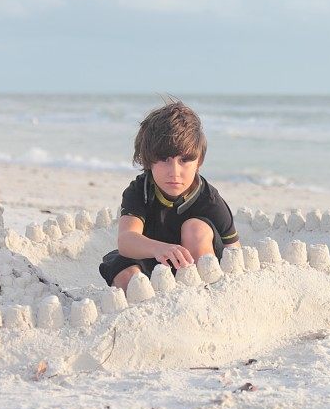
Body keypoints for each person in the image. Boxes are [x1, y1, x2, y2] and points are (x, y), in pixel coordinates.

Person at [99, 100, 240, 293]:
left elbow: (235, 253)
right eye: (165, 159)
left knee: (195, 229)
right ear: (148, 160)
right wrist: (160, 249)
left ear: (199, 161)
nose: (174, 172)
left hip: (197, 268)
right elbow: (126, 240)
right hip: (153, 260)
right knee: (126, 275)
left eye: (184, 160)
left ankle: (201, 293)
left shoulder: (209, 199)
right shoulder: (141, 190)